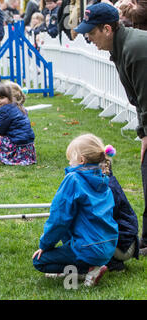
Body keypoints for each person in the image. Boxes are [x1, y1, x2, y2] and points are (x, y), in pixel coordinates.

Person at [74, 2, 147, 256]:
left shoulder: (136, 49)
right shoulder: (121, 48)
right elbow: (139, 99)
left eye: (91, 33)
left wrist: (145, 135)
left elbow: (146, 97)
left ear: (107, 29)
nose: (88, 38)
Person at [32, 133, 119, 287]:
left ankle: (85, 270)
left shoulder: (73, 179)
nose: (69, 162)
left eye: (70, 158)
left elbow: (59, 218)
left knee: (39, 262)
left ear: (81, 160)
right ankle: (91, 265)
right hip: (108, 246)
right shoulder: (104, 179)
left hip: (89, 248)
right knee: (74, 219)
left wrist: (45, 245)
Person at [0, 83, 36, 165]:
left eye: (2, 98)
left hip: (17, 147)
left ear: (10, 98)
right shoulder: (17, 107)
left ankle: (6, 155)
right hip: (27, 148)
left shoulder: (5, 110)